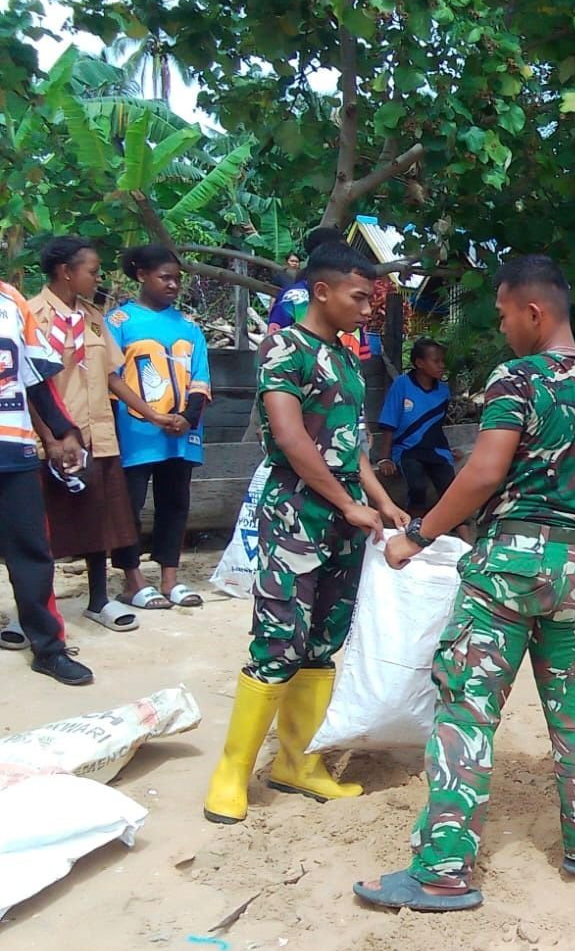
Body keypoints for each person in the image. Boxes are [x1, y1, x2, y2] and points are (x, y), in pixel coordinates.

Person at [353, 256, 575, 910]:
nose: (501, 328)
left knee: (466, 711)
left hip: (508, 568)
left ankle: (443, 870)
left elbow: (484, 471)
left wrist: (419, 532)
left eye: (502, 314)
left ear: (534, 311)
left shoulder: (516, 379)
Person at [202, 243, 410, 826]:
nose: (368, 307)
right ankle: (232, 774)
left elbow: (353, 445)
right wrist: (347, 503)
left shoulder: (345, 357)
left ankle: (297, 762)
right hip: (298, 513)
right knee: (277, 641)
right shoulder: (283, 348)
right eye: (359, 296)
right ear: (321, 291)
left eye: (371, 297)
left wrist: (382, 501)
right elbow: (292, 439)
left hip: (345, 520)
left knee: (323, 640)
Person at [28, 237, 177, 634]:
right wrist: (53, 439)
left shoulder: (94, 318)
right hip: (54, 438)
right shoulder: (31, 315)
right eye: (92, 271)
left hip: (98, 434)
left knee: (99, 520)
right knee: (39, 528)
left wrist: (152, 415)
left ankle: (98, 600)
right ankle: (35, 612)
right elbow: (30, 386)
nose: (97, 279)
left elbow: (113, 376)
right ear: (66, 272)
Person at [106, 245, 211, 610]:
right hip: (137, 433)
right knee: (128, 506)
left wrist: (187, 417)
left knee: (175, 504)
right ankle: (132, 580)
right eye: (164, 277)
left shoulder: (189, 327)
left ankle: (170, 579)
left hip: (181, 434)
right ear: (141, 276)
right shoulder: (119, 322)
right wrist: (152, 416)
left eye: (177, 279)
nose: (172, 285)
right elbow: (112, 377)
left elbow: (200, 377)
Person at [0, 279, 94, 684]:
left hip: (13, 448)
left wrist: (63, 429)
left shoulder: (11, 299)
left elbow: (35, 376)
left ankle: (48, 649)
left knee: (32, 553)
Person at [373, 338, 456, 515]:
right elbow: (389, 422)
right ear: (419, 363)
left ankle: (464, 536)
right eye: (436, 361)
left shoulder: (443, 391)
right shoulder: (402, 385)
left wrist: (449, 449)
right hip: (407, 450)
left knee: (451, 489)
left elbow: (436, 426)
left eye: (443, 361)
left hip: (436, 450)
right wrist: (384, 458)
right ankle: (413, 529)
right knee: (417, 486)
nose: (441, 365)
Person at [267, 227, 370, 359]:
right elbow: (273, 352)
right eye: (341, 252)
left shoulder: (355, 298)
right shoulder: (293, 298)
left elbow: (360, 359)